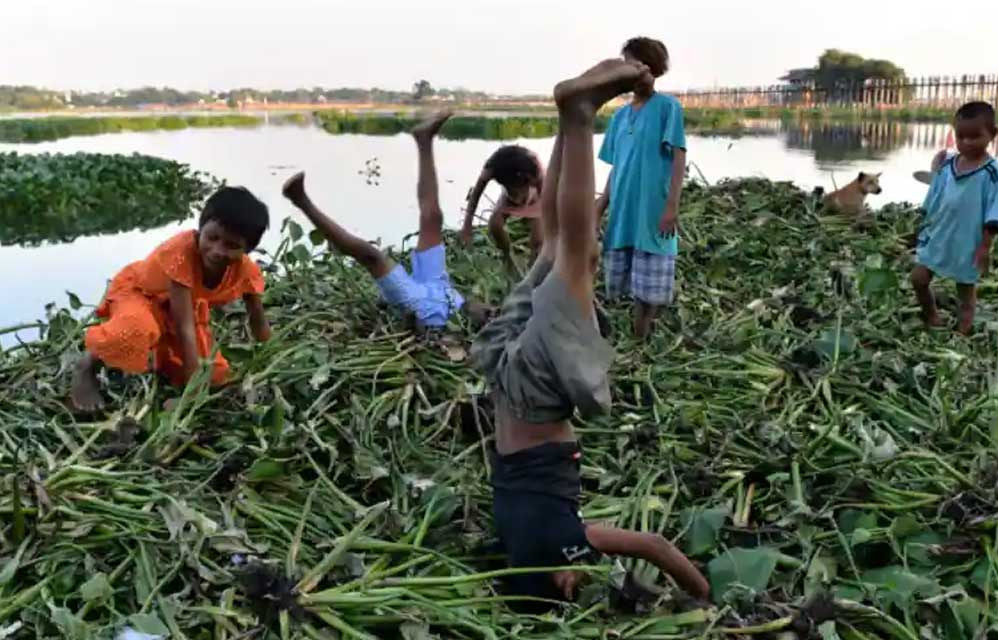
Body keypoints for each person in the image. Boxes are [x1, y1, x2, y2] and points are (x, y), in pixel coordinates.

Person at [471, 58, 710, 611]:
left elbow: (651, 545)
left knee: (578, 250)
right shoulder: (513, 543)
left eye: (576, 590)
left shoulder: (562, 547)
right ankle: (566, 120)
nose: (584, 582)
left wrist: (701, 595)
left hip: (535, 389)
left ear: (559, 580)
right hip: (499, 373)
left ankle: (577, 115)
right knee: (555, 244)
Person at [283, 111, 487, 332]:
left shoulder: (447, 326)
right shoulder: (466, 307)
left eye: (490, 315)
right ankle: (424, 140)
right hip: (440, 287)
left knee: (371, 256)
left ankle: (301, 201)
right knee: (432, 218)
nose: (490, 311)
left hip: (419, 305)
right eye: (492, 310)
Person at [70, 187, 272, 411]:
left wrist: (269, 358)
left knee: (215, 376)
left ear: (248, 249)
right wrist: (192, 394)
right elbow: (184, 327)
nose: (217, 250)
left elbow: (258, 320)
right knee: (135, 330)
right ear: (200, 229)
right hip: (141, 294)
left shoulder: (247, 271)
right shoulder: (180, 253)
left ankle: (162, 362)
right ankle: (87, 364)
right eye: (212, 238)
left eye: (231, 246)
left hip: (179, 307)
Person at [596, 36, 687, 339]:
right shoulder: (620, 116)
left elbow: (678, 157)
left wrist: (672, 206)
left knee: (651, 286)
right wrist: (600, 207)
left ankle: (643, 333)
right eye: (629, 67)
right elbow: (616, 167)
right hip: (624, 208)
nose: (635, 74)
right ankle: (642, 332)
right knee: (630, 284)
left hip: (653, 207)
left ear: (655, 69)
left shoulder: (667, 108)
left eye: (640, 66)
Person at [911, 101, 998, 335]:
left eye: (974, 136)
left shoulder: (992, 172)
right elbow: (934, 196)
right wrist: (921, 225)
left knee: (965, 290)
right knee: (919, 278)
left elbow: (995, 211)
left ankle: (963, 332)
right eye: (960, 136)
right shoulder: (949, 165)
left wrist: (985, 247)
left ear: (993, 134)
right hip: (939, 234)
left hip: (968, 241)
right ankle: (931, 314)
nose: (966, 142)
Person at [460, 145, 546, 275]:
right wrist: (467, 226)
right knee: (495, 224)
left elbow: (546, 204)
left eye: (517, 187)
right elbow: (476, 194)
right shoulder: (492, 168)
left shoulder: (535, 169)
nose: (518, 196)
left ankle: (533, 272)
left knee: (538, 241)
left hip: (536, 199)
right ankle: (509, 261)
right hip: (508, 199)